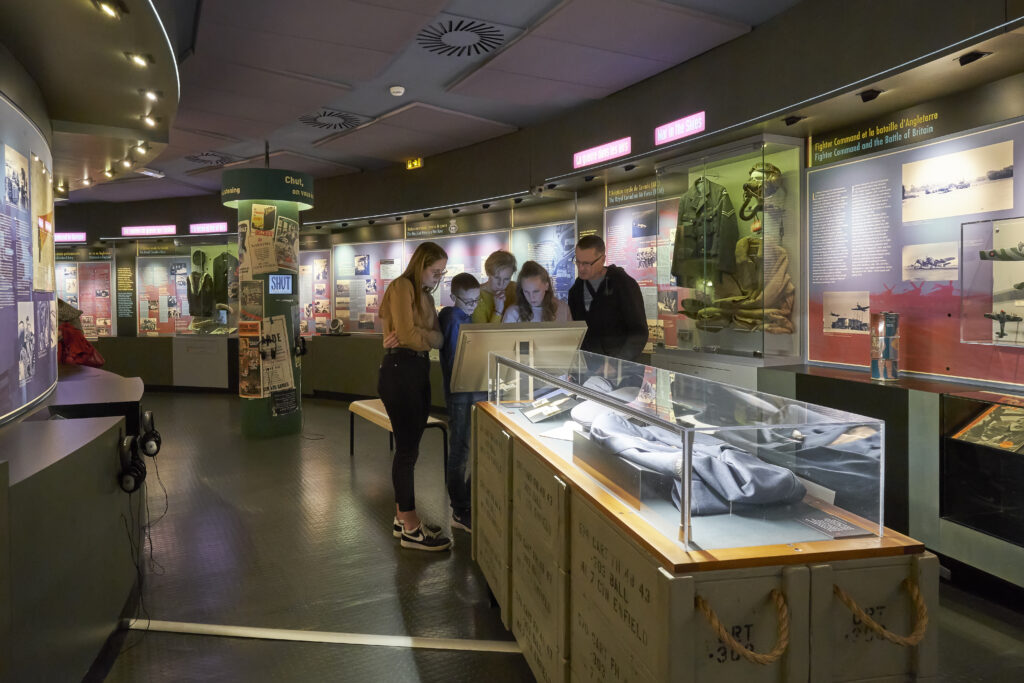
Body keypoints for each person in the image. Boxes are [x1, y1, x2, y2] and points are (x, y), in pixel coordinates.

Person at [377, 241, 451, 551]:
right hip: (400, 371)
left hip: (416, 371)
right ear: (422, 265)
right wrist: (423, 337)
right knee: (407, 452)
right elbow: (406, 337)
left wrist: (418, 337)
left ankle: (401, 516)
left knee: (410, 449)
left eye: (442, 272)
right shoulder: (402, 286)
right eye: (436, 271)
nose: (439, 277)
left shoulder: (423, 295)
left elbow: (439, 338)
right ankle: (410, 526)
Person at [438, 272, 486, 533]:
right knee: (460, 451)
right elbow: (459, 359)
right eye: (468, 301)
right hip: (462, 395)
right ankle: (459, 507)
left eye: (476, 301)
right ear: (454, 297)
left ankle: (463, 503)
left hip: (470, 393)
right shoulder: (454, 319)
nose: (473, 306)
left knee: (464, 449)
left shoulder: (461, 317)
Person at [568, 235, 648, 362]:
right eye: (577, 261)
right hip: (589, 368)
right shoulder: (575, 291)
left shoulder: (624, 285)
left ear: (602, 259)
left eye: (587, 263)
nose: (581, 268)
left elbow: (639, 332)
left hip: (621, 370)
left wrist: (618, 363)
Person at [502, 261, 570, 323]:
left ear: (546, 286)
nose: (531, 297)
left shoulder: (562, 309)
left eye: (536, 291)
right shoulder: (513, 313)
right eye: (526, 292)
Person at [472, 250, 517, 323]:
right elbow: (484, 333)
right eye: (497, 278)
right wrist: (498, 311)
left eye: (506, 279)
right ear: (487, 272)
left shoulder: (515, 288)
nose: (501, 284)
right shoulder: (476, 295)